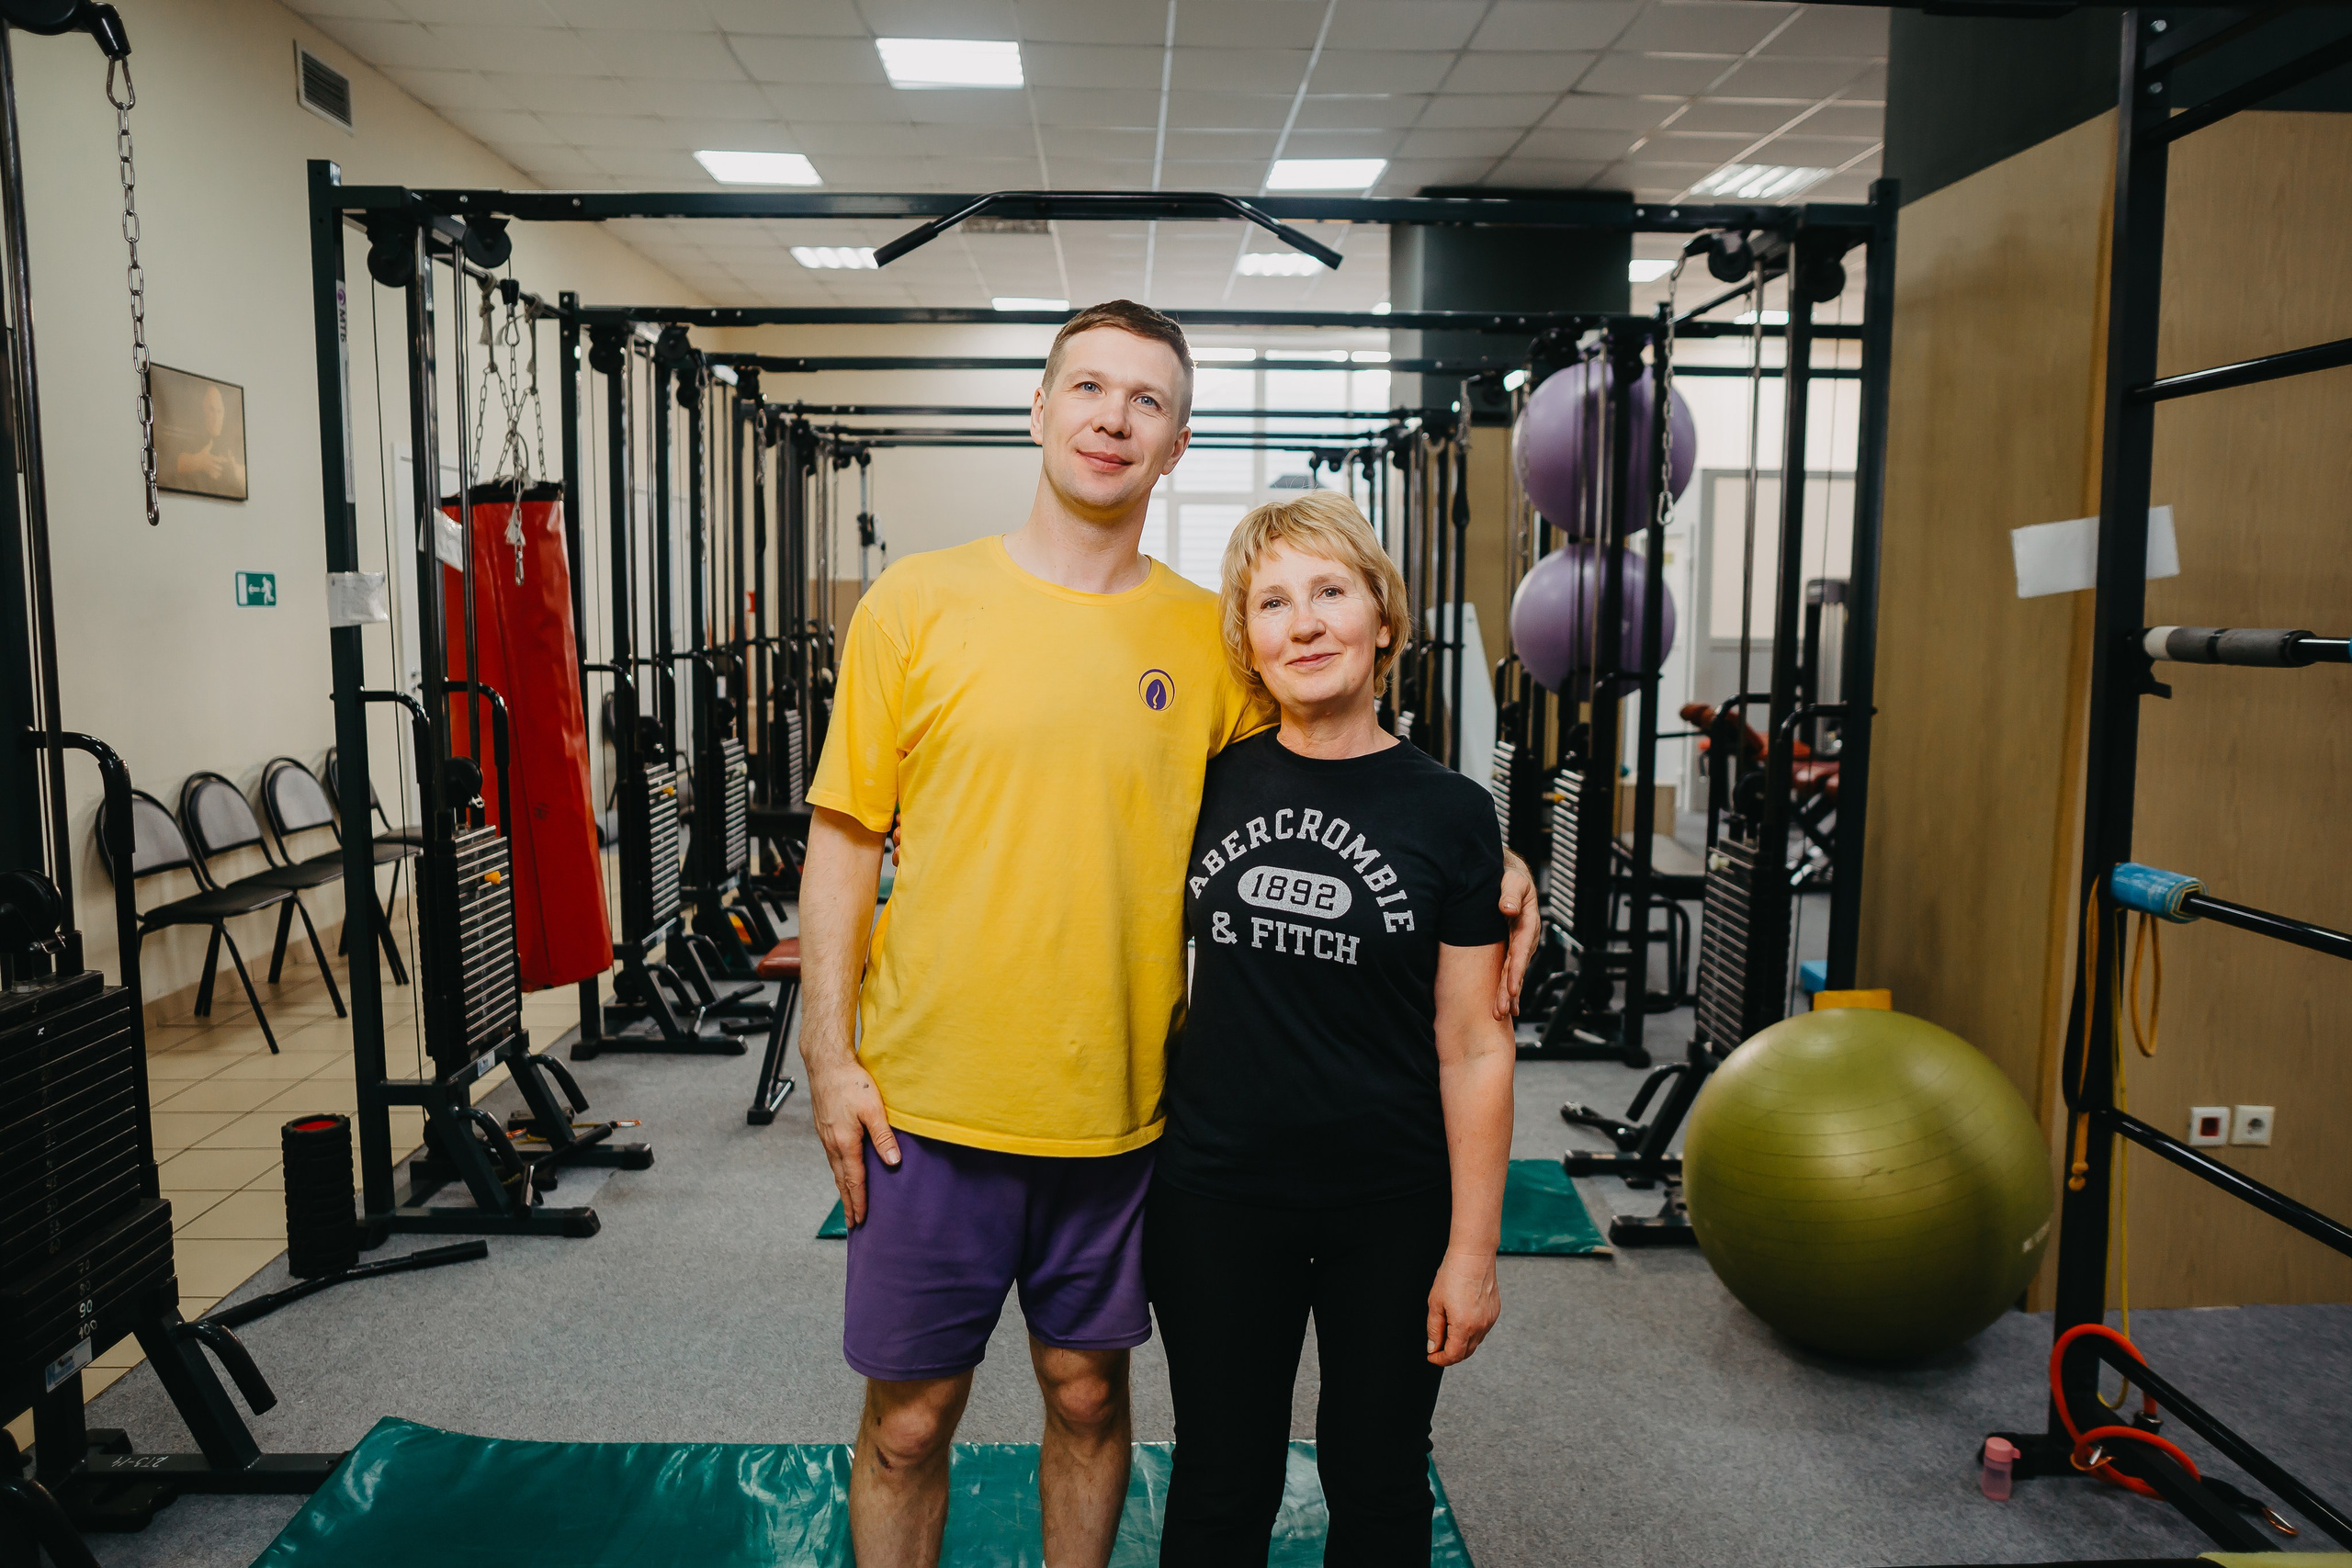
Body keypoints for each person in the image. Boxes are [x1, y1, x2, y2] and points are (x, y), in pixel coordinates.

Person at [798, 300, 1537, 1568]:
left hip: (1125, 1114)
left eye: (1146, 399)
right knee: (909, 1423)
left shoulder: (1212, 638)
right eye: (1088, 387)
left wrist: (1494, 866)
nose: (1112, 418)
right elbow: (845, 835)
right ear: (1040, 408)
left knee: (1091, 1397)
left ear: (1177, 441)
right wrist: (828, 1056)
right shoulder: (916, 601)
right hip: (928, 1100)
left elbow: (1338, 762)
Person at [1146, 491, 1516, 1568]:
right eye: (1271, 603)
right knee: (1221, 1480)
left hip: (1389, 1202)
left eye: (1329, 592)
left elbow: (1474, 1045)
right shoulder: (1199, 784)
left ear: (1382, 618)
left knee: (1380, 1474)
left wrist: (1473, 1251)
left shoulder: (1452, 812)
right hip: (1217, 1194)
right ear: (1246, 641)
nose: (1303, 624)